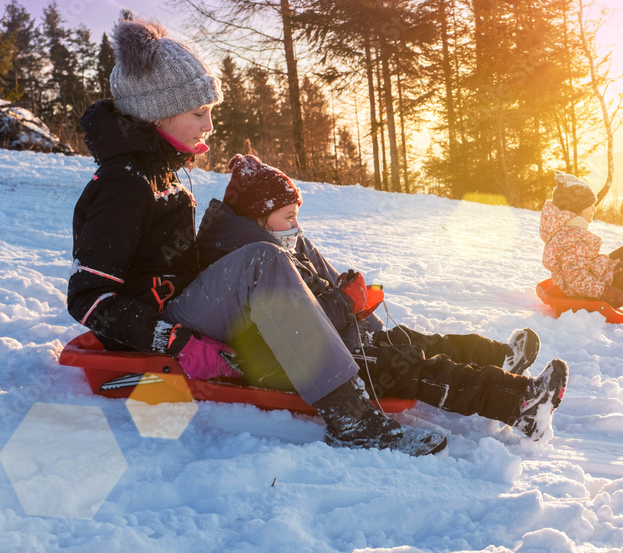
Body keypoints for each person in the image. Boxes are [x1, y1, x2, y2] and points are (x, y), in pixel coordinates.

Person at [68, 18, 449, 456]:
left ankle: (362, 347)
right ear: (158, 113)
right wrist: (175, 342)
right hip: (156, 330)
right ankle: (352, 419)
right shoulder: (124, 184)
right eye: (198, 113)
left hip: (180, 309)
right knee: (261, 261)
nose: (209, 124)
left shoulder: (161, 174)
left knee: (270, 246)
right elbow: (89, 299)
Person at [194, 154, 569, 441]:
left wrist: (356, 307)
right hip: (293, 360)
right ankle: (519, 404)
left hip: (322, 340)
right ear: (260, 217)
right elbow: (297, 322)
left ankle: (501, 359)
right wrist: (346, 304)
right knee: (407, 365)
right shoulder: (250, 258)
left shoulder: (272, 242)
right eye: (288, 216)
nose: (296, 225)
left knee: (405, 341)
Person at [540, 171, 623, 328]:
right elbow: (577, 280)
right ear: (577, 209)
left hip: (591, 278)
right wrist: (610, 294)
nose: (594, 208)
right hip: (586, 292)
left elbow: (580, 266)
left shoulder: (568, 231)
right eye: (590, 205)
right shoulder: (571, 239)